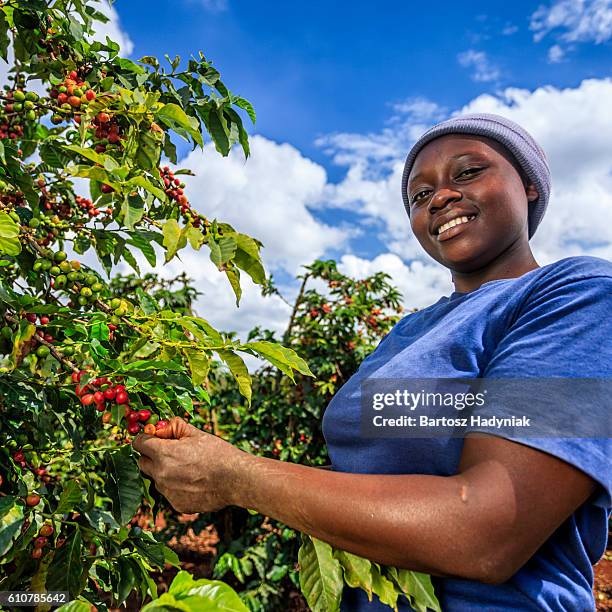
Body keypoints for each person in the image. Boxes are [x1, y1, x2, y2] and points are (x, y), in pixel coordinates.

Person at [133, 114, 612, 611]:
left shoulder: (576, 296)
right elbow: (364, 477)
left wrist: (236, 476)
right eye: (419, 196)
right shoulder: (409, 331)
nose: (440, 197)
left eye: (467, 172)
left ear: (530, 187)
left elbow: (486, 531)